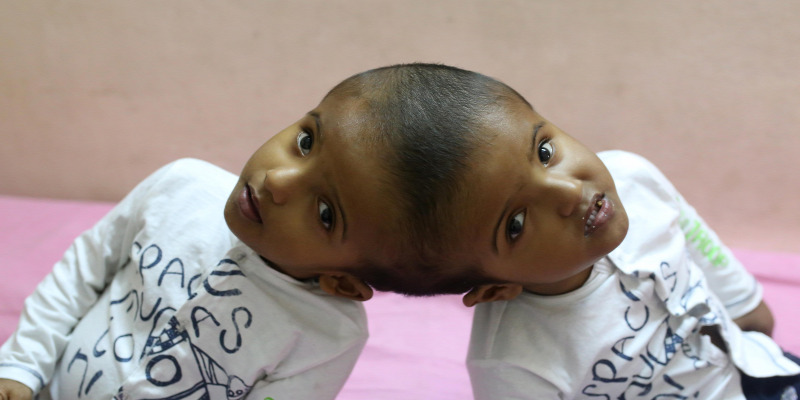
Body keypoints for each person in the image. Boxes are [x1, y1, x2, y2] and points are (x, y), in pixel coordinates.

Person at [0, 63, 518, 400]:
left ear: (343, 283)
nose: (277, 181)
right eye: (307, 141)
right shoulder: (180, 187)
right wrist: (21, 368)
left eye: (325, 213)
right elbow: (81, 272)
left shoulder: (326, 336)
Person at [406, 73, 799, 398]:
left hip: (761, 368)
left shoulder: (633, 179)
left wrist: (746, 307)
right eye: (516, 223)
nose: (570, 191)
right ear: (494, 287)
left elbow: (703, 249)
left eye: (544, 153)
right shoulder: (513, 365)